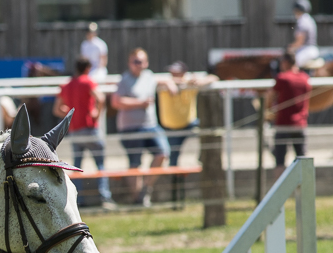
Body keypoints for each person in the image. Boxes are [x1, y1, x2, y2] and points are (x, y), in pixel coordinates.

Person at [111, 47, 169, 207]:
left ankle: (145, 190)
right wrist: (140, 103)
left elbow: (162, 80)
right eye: (135, 61)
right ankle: (138, 200)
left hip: (151, 126)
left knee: (162, 154)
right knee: (135, 164)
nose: (139, 64)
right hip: (130, 128)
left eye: (141, 61)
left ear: (147, 62)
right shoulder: (125, 79)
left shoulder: (150, 76)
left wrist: (170, 83)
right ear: (130, 63)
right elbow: (116, 102)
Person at [54, 56, 112, 208]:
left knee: (77, 166)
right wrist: (96, 114)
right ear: (87, 68)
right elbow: (101, 98)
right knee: (100, 164)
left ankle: (77, 199)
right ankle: (104, 197)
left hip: (74, 131)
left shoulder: (66, 85)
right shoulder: (88, 81)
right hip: (90, 129)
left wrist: (69, 115)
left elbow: (57, 109)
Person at [157, 61, 216, 167]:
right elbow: (152, 79)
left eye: (176, 73)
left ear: (184, 73)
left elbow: (213, 78)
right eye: (172, 73)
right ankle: (174, 180)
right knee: (173, 158)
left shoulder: (190, 83)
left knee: (208, 133)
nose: (173, 75)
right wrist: (169, 83)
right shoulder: (164, 83)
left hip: (190, 124)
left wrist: (199, 82)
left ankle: (203, 157)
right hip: (171, 128)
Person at [270, 50, 310, 183]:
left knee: (280, 161)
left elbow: (270, 96)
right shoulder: (305, 78)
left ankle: (279, 194)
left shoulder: (282, 77)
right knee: (302, 160)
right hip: (300, 125)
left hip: (283, 125)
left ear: (286, 62)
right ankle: (305, 192)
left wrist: (268, 111)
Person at [288, 0, 320, 70]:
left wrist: (290, 48)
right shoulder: (309, 19)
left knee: (293, 63)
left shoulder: (302, 21)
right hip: (312, 49)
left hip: (306, 50)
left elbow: (300, 41)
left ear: (298, 10)